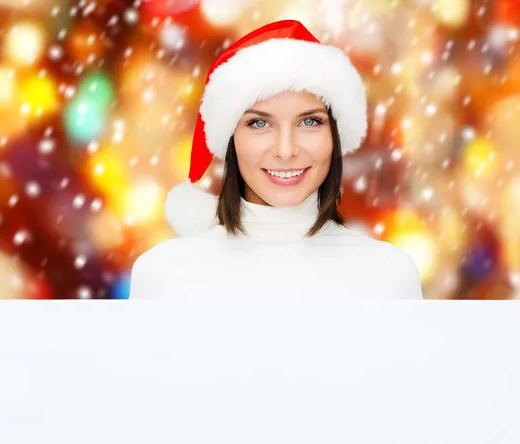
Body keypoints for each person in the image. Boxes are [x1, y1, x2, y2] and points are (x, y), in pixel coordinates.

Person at [129, 19, 424, 299]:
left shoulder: (388, 276)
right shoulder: (163, 277)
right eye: (259, 123)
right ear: (230, 139)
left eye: (309, 122)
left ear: (335, 135)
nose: (285, 151)